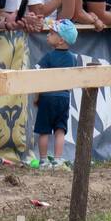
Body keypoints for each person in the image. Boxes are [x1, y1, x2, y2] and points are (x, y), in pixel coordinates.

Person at [34, 19, 79, 169]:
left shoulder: (48, 57)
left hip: (47, 97)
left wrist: (37, 96)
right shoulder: (73, 58)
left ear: (61, 40)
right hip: (64, 98)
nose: (48, 35)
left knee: (44, 131)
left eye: (52, 33)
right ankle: (58, 159)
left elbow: (38, 77)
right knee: (60, 130)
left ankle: (43, 160)